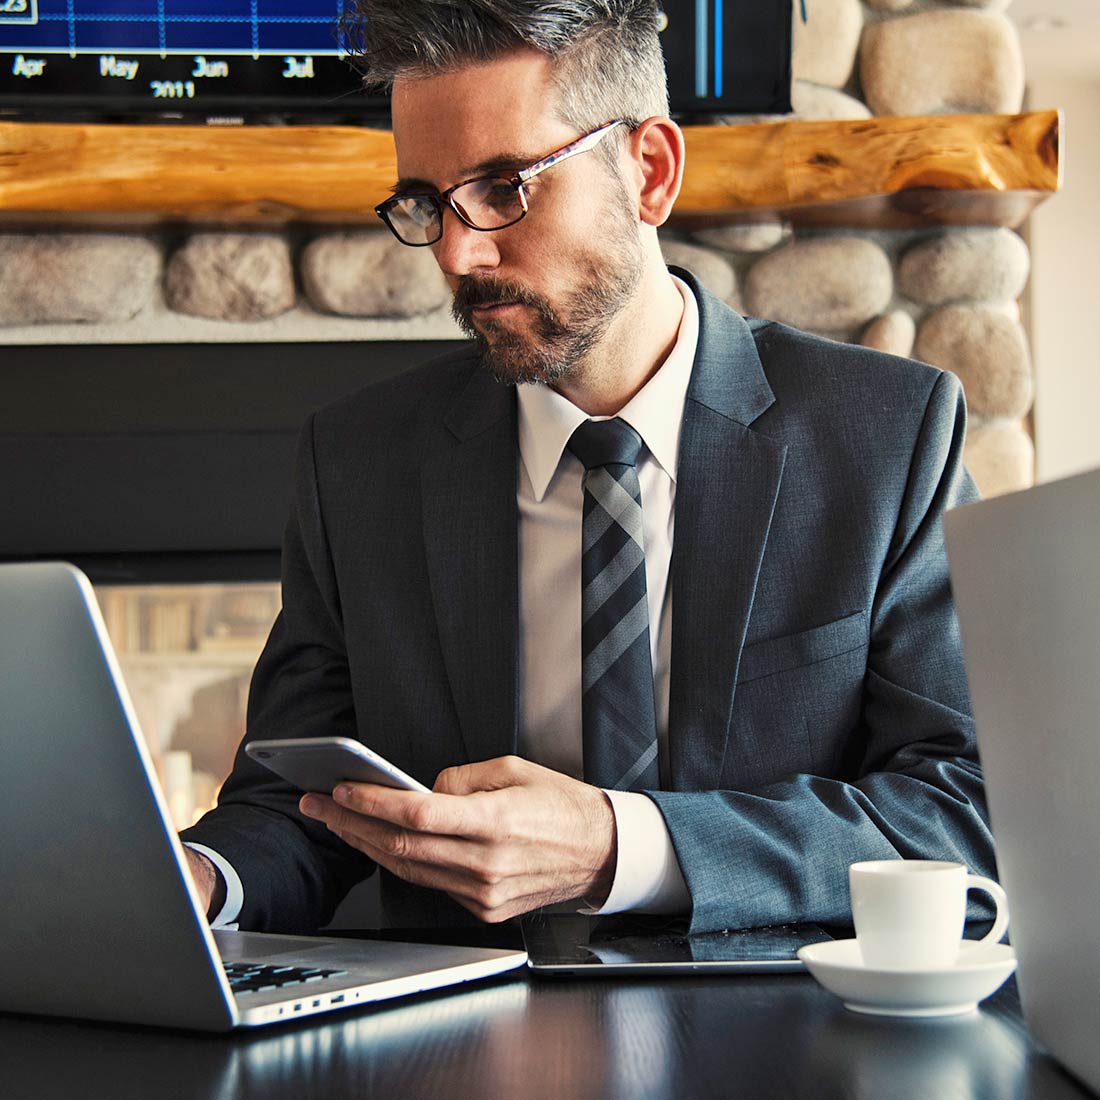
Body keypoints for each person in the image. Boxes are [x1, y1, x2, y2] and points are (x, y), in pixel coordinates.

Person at [181, 0, 993, 935]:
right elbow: (298, 804)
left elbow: (967, 808)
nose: (457, 252)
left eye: (503, 188)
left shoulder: (886, 436)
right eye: (425, 202)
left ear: (649, 172)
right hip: (456, 1047)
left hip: (779, 1033)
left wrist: (621, 847)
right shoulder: (357, 463)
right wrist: (196, 878)